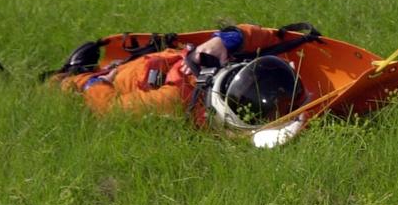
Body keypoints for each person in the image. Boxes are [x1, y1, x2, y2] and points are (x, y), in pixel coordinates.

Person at [52, 25, 306, 130]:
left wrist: (89, 81)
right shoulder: (219, 60)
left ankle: (66, 77)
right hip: (146, 63)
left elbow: (110, 108)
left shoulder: (173, 100)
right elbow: (264, 37)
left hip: (113, 81)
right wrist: (224, 40)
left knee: (58, 87)